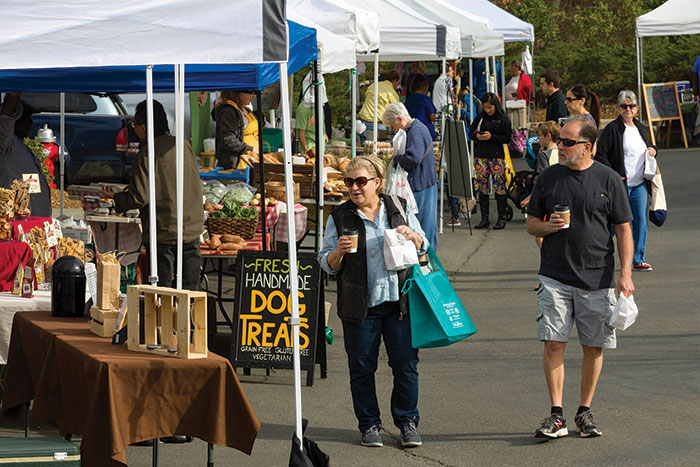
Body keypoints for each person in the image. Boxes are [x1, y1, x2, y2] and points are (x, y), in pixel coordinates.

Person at [525, 115, 634, 440]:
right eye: (560, 140)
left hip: (597, 278)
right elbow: (531, 223)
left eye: (567, 142)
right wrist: (548, 226)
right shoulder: (548, 177)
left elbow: (624, 229)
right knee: (554, 344)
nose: (560, 145)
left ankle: (584, 411)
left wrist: (625, 273)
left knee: (593, 345)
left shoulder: (609, 179)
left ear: (587, 146)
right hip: (555, 276)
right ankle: (556, 414)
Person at [317, 155, 428, 449]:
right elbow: (325, 263)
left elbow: (424, 244)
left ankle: (407, 422)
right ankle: (369, 425)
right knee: (362, 367)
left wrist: (414, 237)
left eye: (361, 181)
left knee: (405, 365)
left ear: (377, 183)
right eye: (349, 182)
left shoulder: (399, 207)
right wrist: (338, 252)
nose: (354, 187)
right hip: (360, 305)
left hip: (399, 303)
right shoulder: (339, 217)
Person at [112, 100, 204, 292]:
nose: (134, 129)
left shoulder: (147, 153)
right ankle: (190, 323)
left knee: (164, 292)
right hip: (192, 228)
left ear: (144, 128)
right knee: (190, 291)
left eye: (134, 125)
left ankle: (167, 323)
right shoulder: (182, 144)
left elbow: (139, 197)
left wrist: (117, 199)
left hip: (164, 231)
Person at [595, 90, 657, 271]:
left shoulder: (641, 128)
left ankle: (637, 259)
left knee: (640, 222)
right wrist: (615, 175)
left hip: (639, 184)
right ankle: (598, 255)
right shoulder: (612, 129)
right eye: (624, 106)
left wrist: (653, 149)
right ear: (618, 108)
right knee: (615, 223)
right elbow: (601, 155)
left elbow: (650, 146)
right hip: (620, 185)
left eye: (631, 106)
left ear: (637, 109)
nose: (628, 109)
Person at [382, 103, 438, 250]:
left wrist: (397, 158)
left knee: (421, 224)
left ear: (400, 119)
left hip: (422, 182)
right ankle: (428, 255)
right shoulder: (418, 127)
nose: (394, 129)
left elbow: (413, 158)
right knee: (427, 223)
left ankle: (425, 258)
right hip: (427, 181)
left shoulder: (414, 131)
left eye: (393, 125)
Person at [0, 93, 51, 217]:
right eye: (26, 118)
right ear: (15, 120)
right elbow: (5, 118)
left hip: (35, 217)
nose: (31, 123)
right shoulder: (5, 142)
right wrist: (14, 94)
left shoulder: (21, 144)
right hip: (16, 218)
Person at [468, 93, 512, 230]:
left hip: (497, 157)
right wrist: (477, 136)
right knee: (482, 189)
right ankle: (484, 218)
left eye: (490, 107)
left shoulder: (503, 118)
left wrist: (491, 137)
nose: (488, 110)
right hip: (481, 157)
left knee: (499, 188)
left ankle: (501, 217)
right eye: (485, 107)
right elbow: (470, 132)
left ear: (495, 106)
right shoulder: (481, 117)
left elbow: (507, 138)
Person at [211, 91, 258, 169]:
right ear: (237, 93)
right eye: (250, 92)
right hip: (237, 164)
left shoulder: (244, 109)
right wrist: (249, 149)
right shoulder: (227, 111)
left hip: (250, 160)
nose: (253, 96)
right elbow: (228, 140)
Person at [358, 70, 400, 141]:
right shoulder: (392, 93)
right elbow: (396, 111)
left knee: (361, 149)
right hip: (378, 125)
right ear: (395, 80)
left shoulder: (373, 86)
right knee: (377, 150)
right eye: (398, 83)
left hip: (362, 123)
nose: (397, 86)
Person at [404, 76, 437, 141]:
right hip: (426, 132)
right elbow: (432, 117)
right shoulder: (426, 99)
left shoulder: (408, 100)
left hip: (411, 132)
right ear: (424, 87)